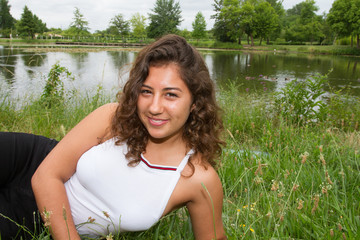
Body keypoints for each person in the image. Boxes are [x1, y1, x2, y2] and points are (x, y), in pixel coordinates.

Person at [0, 34, 226, 239]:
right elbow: (46, 176)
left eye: (171, 95)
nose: (154, 107)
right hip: (28, 161)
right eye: (146, 91)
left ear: (195, 102)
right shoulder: (113, 117)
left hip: (33, 221)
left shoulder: (199, 179)